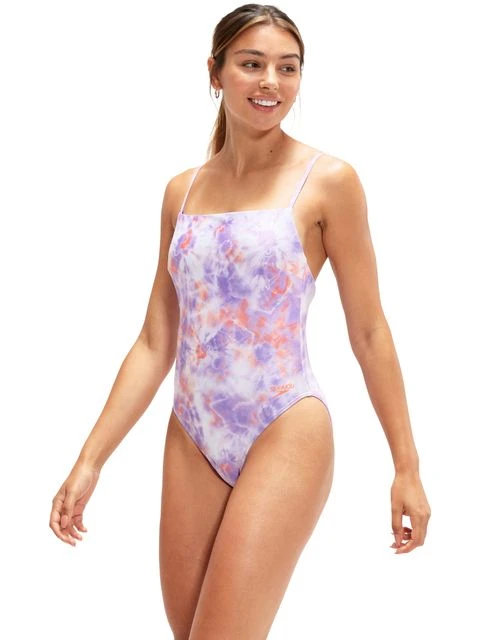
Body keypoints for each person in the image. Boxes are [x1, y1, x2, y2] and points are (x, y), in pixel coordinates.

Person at [50, 3, 431, 638]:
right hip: (192, 432)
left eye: (288, 67)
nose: (270, 82)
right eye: (252, 64)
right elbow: (156, 339)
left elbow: (369, 332)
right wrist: (91, 459)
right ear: (215, 72)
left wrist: (407, 467)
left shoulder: (329, 181)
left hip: (285, 423)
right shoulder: (182, 192)